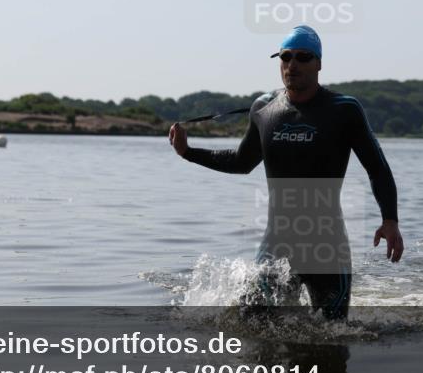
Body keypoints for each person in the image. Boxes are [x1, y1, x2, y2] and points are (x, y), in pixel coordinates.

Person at [169, 25, 403, 320]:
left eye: (303, 57)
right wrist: (188, 153)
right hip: (276, 244)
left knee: (332, 335)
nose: (292, 64)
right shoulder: (264, 107)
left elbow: (377, 168)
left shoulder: (344, 109)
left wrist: (390, 220)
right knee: (251, 325)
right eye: (285, 56)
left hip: (326, 247)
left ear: (319, 64)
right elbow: (242, 161)